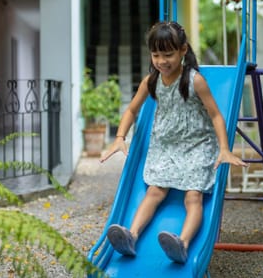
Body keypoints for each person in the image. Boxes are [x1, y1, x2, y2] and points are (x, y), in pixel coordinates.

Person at [99, 21, 247, 264]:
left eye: (168, 54)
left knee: (193, 197)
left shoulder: (195, 80)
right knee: (155, 191)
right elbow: (132, 110)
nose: (161, 61)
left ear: (183, 51)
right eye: (156, 55)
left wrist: (224, 149)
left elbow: (216, 115)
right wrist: (119, 138)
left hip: (197, 146)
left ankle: (183, 244)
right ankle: (131, 236)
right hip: (165, 147)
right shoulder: (152, 81)